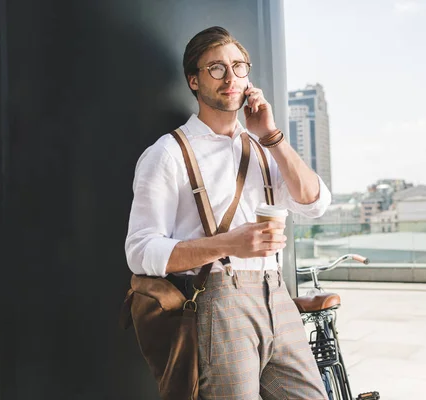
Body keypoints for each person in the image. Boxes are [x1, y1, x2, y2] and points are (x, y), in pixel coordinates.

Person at [124, 26, 331, 399]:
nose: (230, 78)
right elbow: (140, 251)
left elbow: (314, 203)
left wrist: (272, 136)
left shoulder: (265, 145)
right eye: (216, 68)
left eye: (239, 66)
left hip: (278, 296)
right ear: (193, 80)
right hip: (219, 303)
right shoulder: (168, 153)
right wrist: (226, 243)